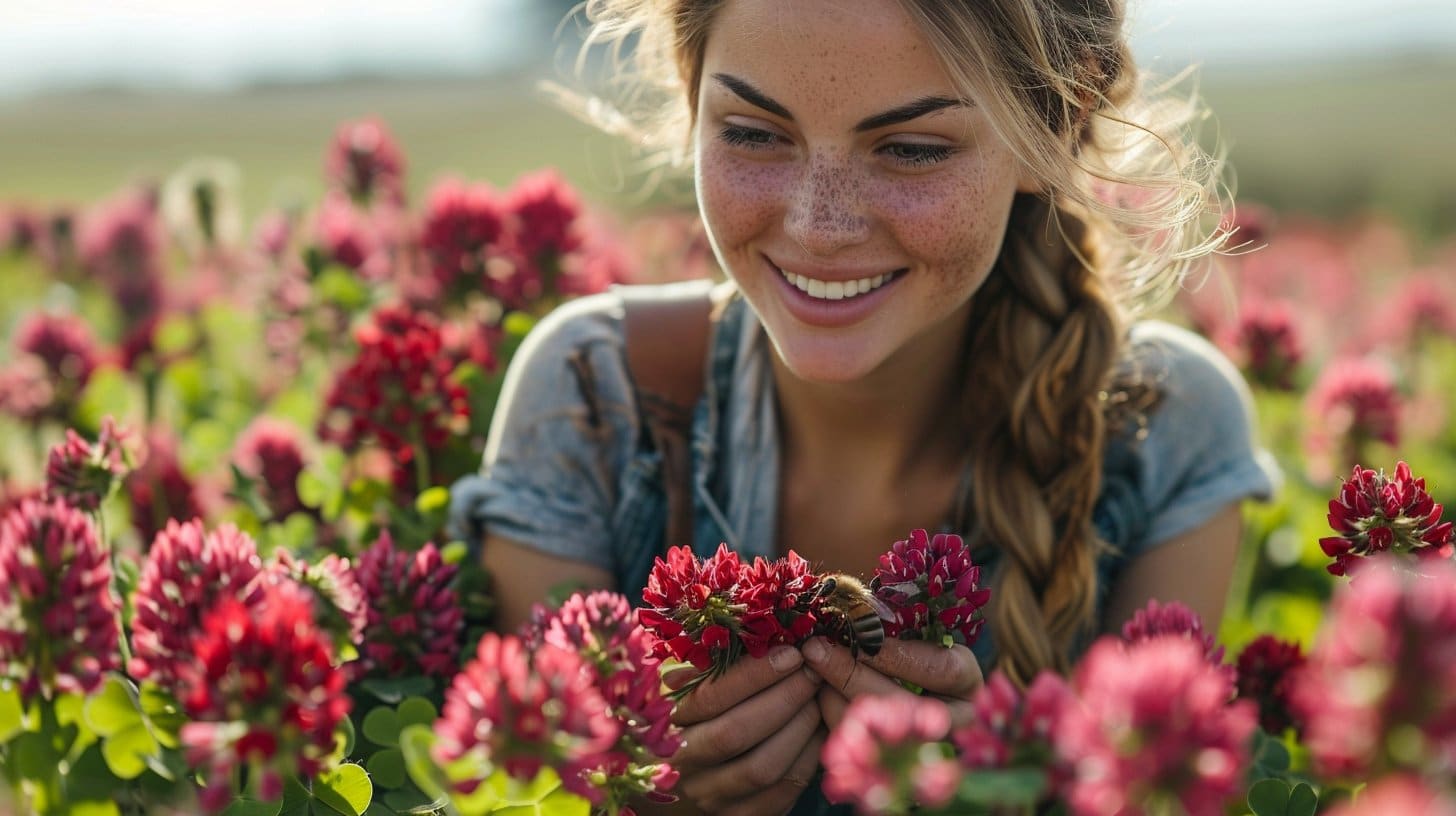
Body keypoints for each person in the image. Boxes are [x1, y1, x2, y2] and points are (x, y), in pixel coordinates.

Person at [450, 0, 1279, 813]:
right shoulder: (595, 395)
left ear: (1057, 126)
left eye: (912, 149)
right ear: (690, 91)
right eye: (752, 133)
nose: (818, 226)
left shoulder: (1166, 428)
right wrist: (626, 794)